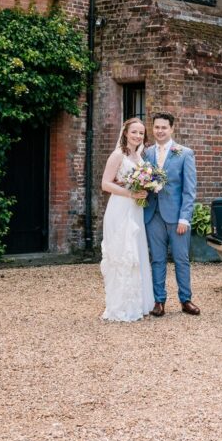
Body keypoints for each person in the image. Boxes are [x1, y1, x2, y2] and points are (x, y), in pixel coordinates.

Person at [143, 112, 200, 317]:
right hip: (153, 215)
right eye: (157, 127)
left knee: (181, 259)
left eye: (164, 127)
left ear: (172, 129)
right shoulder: (146, 153)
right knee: (157, 259)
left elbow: (189, 189)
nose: (160, 131)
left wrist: (185, 217)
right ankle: (159, 301)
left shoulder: (184, 153)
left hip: (177, 217)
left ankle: (186, 300)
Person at [99, 118, 155, 322]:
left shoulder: (139, 156)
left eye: (141, 133)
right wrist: (130, 193)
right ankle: (121, 306)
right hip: (121, 207)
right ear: (125, 133)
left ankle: (138, 303)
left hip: (136, 209)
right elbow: (105, 184)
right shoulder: (117, 155)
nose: (138, 136)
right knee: (123, 252)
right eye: (134, 132)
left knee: (136, 251)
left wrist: (146, 189)